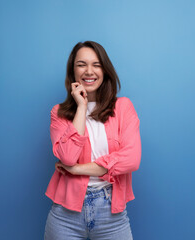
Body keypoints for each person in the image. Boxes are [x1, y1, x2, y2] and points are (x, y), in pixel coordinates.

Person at [44, 41, 141, 240]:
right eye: (81, 64)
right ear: (73, 71)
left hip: (111, 214)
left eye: (96, 65)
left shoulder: (123, 108)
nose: (89, 71)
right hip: (66, 215)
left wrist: (78, 169)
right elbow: (69, 157)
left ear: (105, 70)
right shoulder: (59, 113)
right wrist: (81, 106)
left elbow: (131, 159)